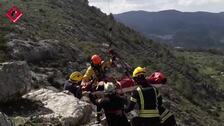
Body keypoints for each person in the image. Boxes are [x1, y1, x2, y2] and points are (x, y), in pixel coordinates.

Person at [82, 54, 113, 123]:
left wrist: (111, 60)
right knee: (99, 100)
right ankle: (98, 116)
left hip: (104, 82)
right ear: (93, 63)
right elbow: (85, 77)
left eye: (99, 63)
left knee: (108, 96)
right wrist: (84, 82)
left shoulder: (101, 63)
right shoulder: (90, 69)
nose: (99, 64)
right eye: (97, 63)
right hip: (97, 85)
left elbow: (108, 64)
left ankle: (107, 113)